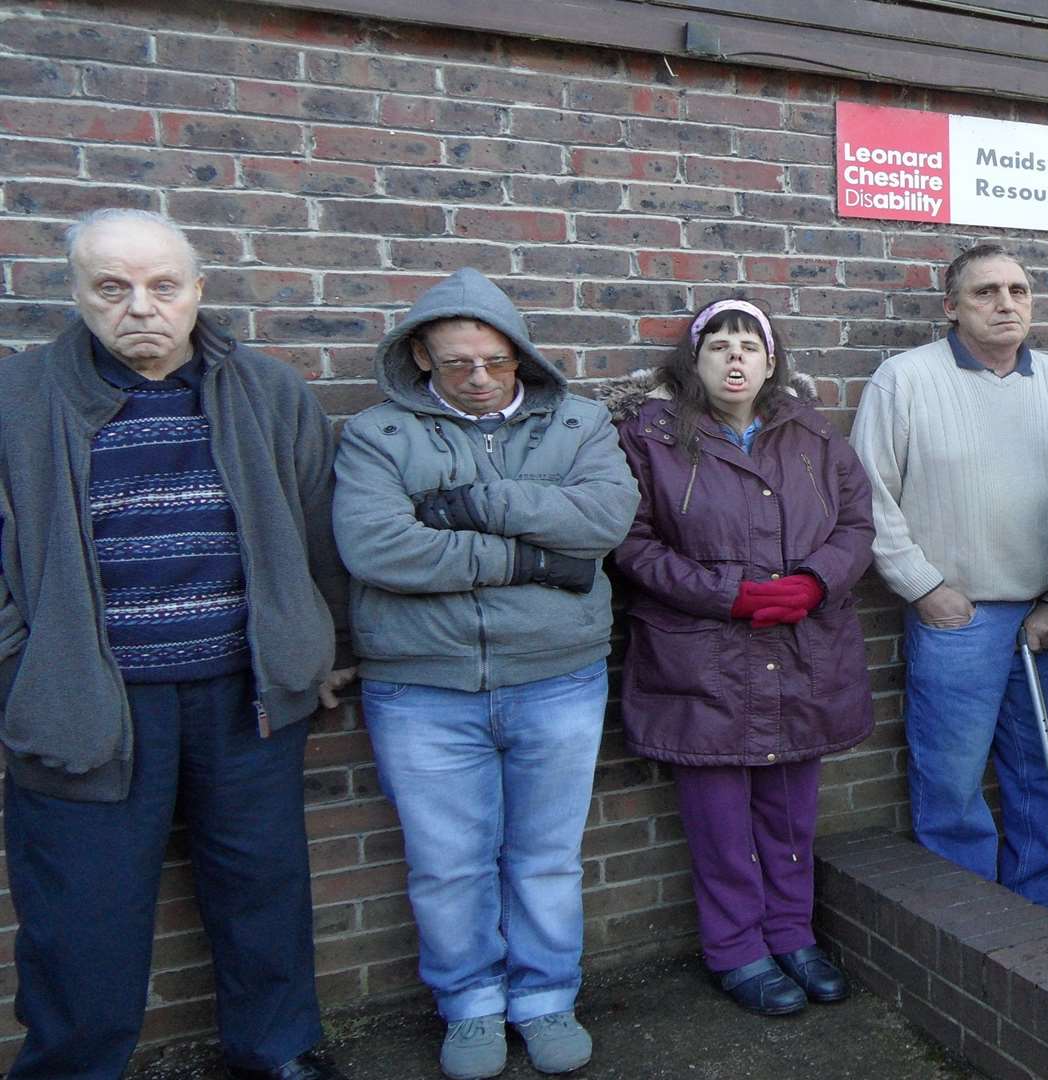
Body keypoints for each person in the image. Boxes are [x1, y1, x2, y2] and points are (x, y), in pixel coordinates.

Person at [0, 209, 353, 1080]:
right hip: (88, 700)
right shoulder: (17, 400)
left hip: (249, 696)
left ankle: (276, 1049)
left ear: (198, 291)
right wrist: (19, 671)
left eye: (163, 285)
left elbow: (317, 532)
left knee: (262, 888)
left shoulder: (269, 393)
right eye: (111, 287)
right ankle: (73, 1068)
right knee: (82, 909)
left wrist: (325, 646)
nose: (140, 307)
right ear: (76, 295)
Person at [332, 268, 638, 1079]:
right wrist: (536, 557)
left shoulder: (580, 422)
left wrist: (475, 503)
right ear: (422, 359)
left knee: (545, 855)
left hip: (557, 675)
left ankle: (545, 998)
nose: (476, 377)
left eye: (494, 361)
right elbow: (379, 549)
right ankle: (469, 1005)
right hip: (420, 687)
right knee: (447, 862)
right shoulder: (376, 435)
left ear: (520, 357)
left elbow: (605, 519)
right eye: (455, 362)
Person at [609, 298, 875, 1018]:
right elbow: (630, 542)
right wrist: (727, 593)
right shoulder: (652, 438)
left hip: (802, 652)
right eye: (719, 346)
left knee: (791, 814)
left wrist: (814, 580)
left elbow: (856, 521)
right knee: (720, 821)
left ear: (770, 360)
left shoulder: (813, 434)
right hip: (705, 661)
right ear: (693, 361)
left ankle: (792, 934)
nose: (735, 358)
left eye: (749, 347)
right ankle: (736, 949)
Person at [848, 243, 1048, 911]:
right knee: (951, 778)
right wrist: (925, 589)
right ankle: (970, 918)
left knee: (1046, 771)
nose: (1005, 303)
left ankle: (1041, 904)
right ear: (951, 307)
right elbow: (869, 496)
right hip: (957, 616)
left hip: (1045, 615)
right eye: (986, 292)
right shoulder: (903, 379)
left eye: (1017, 289)